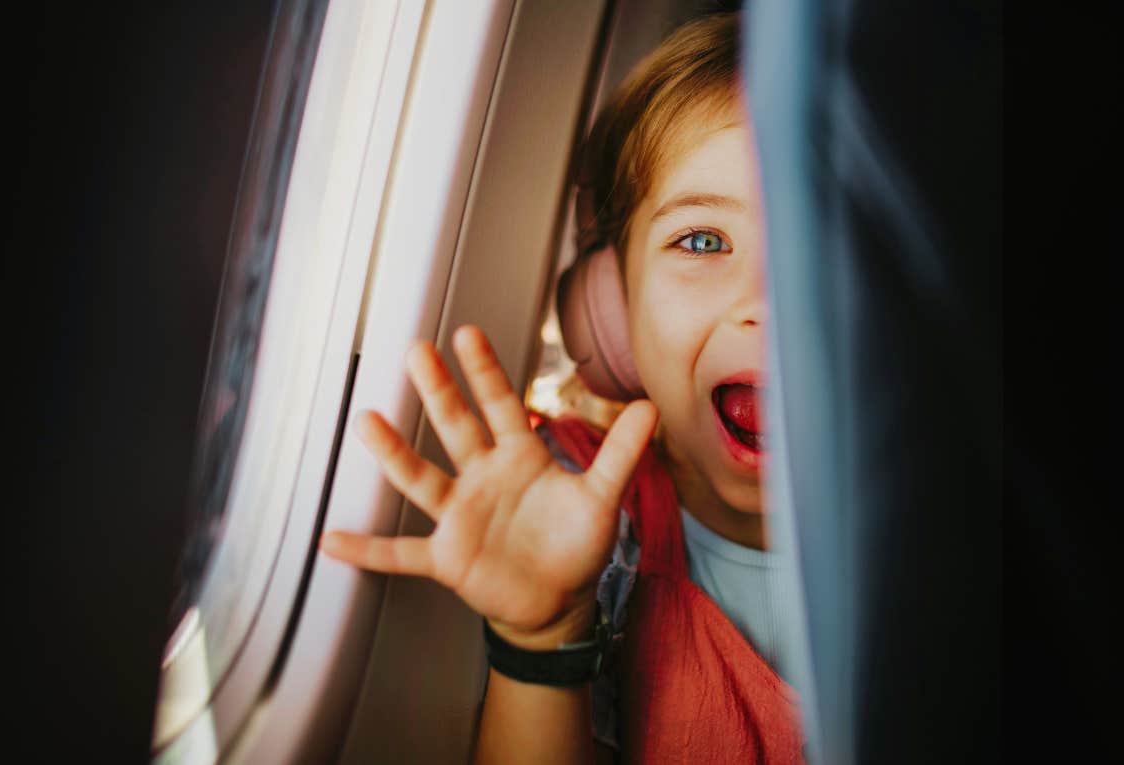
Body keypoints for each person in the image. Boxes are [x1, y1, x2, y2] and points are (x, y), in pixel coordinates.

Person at [321, 12, 802, 763]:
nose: (769, 300)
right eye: (702, 240)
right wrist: (542, 639)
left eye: (822, 243)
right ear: (611, 307)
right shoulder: (575, 506)